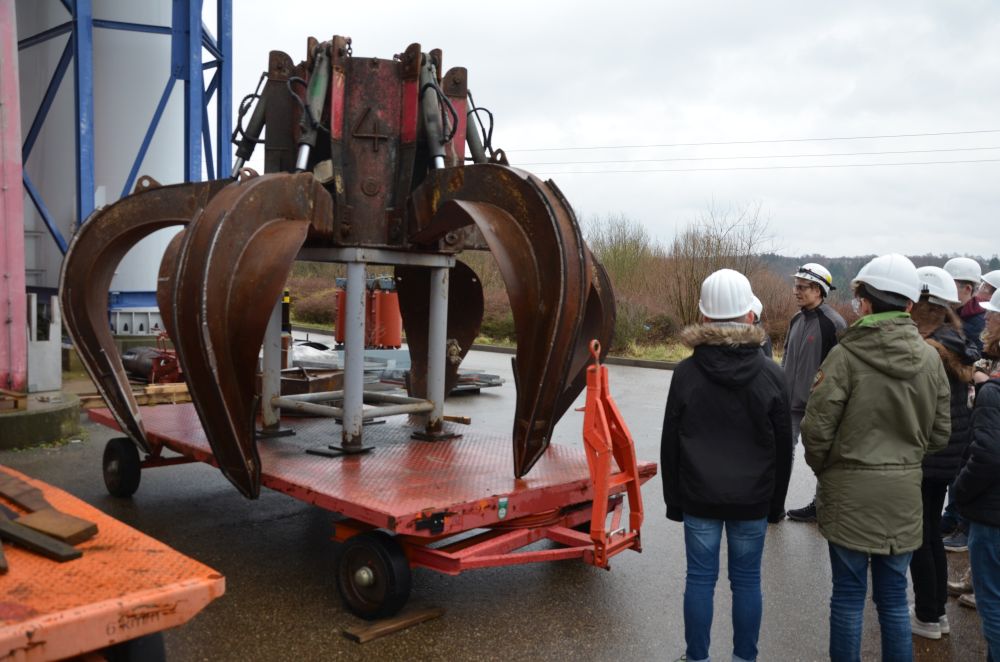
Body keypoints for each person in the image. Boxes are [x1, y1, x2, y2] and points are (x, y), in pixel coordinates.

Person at [801, 253, 951, 662]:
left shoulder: (844, 357)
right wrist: (905, 460)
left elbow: (816, 431)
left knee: (848, 598)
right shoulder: (931, 359)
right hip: (903, 496)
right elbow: (940, 434)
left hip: (849, 495)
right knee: (894, 599)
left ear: (865, 303)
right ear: (909, 305)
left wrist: (829, 468)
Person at [662, 268, 793, 662]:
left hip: (698, 496)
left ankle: (697, 657)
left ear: (704, 316)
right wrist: (775, 505)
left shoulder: (685, 373)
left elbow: (670, 442)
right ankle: (744, 658)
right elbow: (783, 448)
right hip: (752, 500)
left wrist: (675, 502)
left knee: (700, 580)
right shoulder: (772, 374)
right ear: (750, 315)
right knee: (747, 581)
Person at [907, 267, 978, 640]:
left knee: (920, 536)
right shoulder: (955, 340)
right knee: (931, 532)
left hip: (929, 453)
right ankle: (935, 613)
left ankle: (927, 615)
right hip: (948, 453)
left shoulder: (929, 348)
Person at [952, 292, 1000, 659]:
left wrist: (961, 492)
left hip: (992, 516)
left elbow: (987, 455)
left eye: (993, 316)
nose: (986, 321)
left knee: (993, 606)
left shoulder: (993, 394)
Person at [783, 263, 847, 522]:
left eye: (802, 287)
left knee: (822, 457)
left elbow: (843, 368)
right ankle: (774, 502)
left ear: (818, 290)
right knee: (782, 451)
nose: (796, 291)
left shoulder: (834, 323)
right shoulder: (796, 319)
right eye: (795, 286)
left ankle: (821, 506)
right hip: (790, 402)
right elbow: (786, 356)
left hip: (819, 406)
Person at [942, 256, 986, 549]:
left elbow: (976, 359)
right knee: (954, 462)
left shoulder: (977, 321)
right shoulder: (954, 315)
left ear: (968, 289)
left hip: (973, 403)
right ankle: (951, 516)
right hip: (956, 401)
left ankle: (962, 523)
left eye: (953, 286)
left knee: (964, 463)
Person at [945, 256, 985, 352]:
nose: (944, 287)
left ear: (967, 289)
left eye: (949, 284)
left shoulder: (980, 323)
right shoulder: (941, 311)